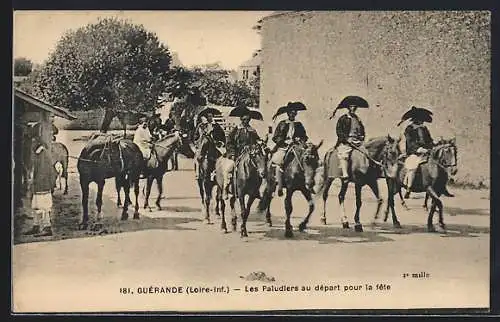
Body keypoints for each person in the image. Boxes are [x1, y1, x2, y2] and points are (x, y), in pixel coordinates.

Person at [270, 102, 308, 197]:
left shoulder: (299, 124)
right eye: (291, 112)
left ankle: (308, 182)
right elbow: (275, 137)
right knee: (278, 161)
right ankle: (279, 185)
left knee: (306, 159)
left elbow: (304, 136)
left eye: (294, 112)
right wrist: (283, 142)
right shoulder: (282, 124)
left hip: (296, 146)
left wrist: (300, 139)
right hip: (284, 147)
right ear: (288, 113)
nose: (293, 114)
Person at [224, 105, 263, 199]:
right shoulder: (236, 130)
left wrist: (260, 142)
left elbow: (257, 140)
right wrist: (232, 153)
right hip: (238, 154)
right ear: (241, 119)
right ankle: (226, 188)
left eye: (248, 119)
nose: (246, 121)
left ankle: (256, 189)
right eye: (244, 119)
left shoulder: (252, 130)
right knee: (228, 168)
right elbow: (229, 142)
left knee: (260, 167)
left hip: (250, 153)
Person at [399, 106, 434, 198]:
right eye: (421, 119)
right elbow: (410, 142)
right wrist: (418, 149)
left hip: (426, 152)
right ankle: (409, 187)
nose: (422, 121)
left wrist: (431, 146)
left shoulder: (424, 129)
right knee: (413, 166)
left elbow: (429, 140)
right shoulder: (409, 129)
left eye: (423, 120)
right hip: (414, 152)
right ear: (416, 119)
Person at [24, 138, 55, 237]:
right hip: (37, 186)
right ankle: (36, 226)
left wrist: (35, 183)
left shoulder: (43, 155)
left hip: (43, 185)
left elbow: (43, 172)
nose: (31, 145)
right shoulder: (37, 154)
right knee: (36, 205)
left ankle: (47, 227)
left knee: (44, 207)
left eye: (33, 143)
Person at [334, 99, 367, 181]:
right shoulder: (343, 118)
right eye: (352, 106)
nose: (354, 108)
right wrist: (345, 139)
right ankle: (345, 174)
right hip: (346, 141)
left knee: (366, 152)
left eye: (355, 107)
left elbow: (362, 130)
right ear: (348, 107)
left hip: (357, 141)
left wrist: (362, 137)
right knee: (344, 153)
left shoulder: (357, 119)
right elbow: (339, 130)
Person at [192, 109, 226, 179]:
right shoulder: (201, 126)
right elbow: (195, 136)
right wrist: (197, 142)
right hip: (202, 146)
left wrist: (220, 142)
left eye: (210, 116)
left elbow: (222, 136)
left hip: (214, 145)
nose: (209, 118)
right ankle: (198, 173)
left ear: (212, 117)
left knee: (221, 156)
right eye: (207, 116)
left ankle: (218, 171)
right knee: (197, 157)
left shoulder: (216, 126)